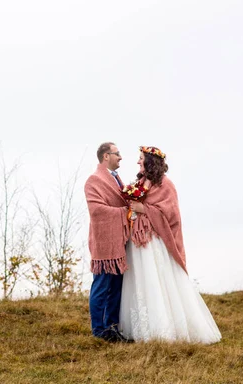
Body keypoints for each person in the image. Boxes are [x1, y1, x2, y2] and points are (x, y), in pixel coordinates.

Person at [119, 146, 221, 343]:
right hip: (138, 240)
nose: (138, 162)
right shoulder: (139, 183)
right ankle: (142, 329)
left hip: (154, 241)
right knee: (140, 280)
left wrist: (144, 208)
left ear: (150, 161)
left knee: (156, 279)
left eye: (141, 158)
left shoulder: (166, 185)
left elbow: (171, 214)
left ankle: (164, 330)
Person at [84, 142, 132, 343]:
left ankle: (112, 328)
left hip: (118, 242)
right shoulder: (93, 181)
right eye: (117, 153)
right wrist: (125, 212)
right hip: (104, 243)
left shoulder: (117, 179)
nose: (120, 157)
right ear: (106, 156)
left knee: (116, 287)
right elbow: (97, 210)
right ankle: (99, 330)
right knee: (102, 286)